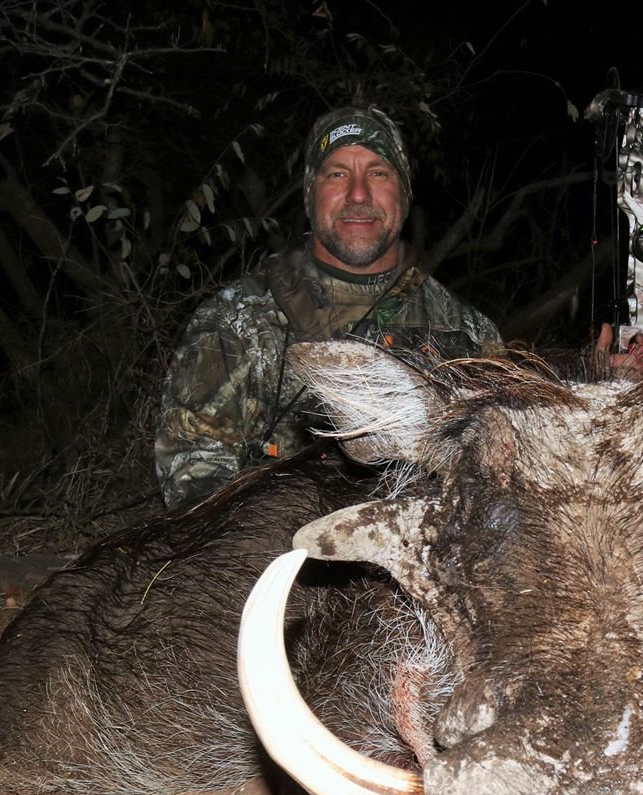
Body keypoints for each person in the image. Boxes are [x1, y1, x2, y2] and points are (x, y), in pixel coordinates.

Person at [154, 105, 501, 507]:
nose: (358, 194)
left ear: (404, 196)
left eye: (378, 173)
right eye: (337, 173)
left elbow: (501, 480)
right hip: (275, 559)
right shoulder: (234, 323)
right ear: (310, 194)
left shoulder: (469, 336)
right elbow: (193, 480)